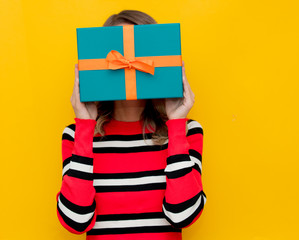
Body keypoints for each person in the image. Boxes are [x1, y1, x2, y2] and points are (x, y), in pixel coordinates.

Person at [56, 10, 207, 240]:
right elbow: (75, 221)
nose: (130, 64)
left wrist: (176, 124)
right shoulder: (76, 135)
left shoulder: (186, 131)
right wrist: (85, 127)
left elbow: (183, 215)